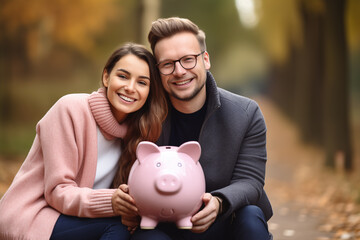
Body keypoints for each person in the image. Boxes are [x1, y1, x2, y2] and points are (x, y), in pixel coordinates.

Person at [0, 43, 167, 240]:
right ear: (106, 77)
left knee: (155, 236)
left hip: (90, 219)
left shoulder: (139, 132)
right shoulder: (70, 109)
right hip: (37, 215)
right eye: (122, 76)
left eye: (142, 82)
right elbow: (57, 192)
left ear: (149, 92)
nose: (130, 88)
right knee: (116, 228)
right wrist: (112, 202)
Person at [129, 17, 273, 240]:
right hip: (161, 226)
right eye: (167, 64)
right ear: (158, 71)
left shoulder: (246, 113)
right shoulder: (142, 114)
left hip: (225, 221)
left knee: (251, 215)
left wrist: (218, 202)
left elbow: (250, 182)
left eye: (188, 59)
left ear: (205, 60)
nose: (179, 71)